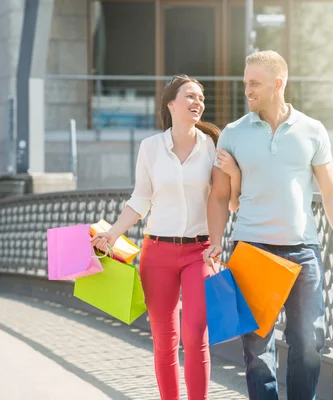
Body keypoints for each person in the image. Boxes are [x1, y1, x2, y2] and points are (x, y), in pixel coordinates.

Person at [203, 50, 333, 400]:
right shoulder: (233, 133)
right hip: (251, 250)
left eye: (254, 83)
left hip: (303, 252)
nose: (247, 90)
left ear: (278, 84)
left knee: (308, 343)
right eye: (246, 82)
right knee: (257, 350)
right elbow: (219, 196)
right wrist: (215, 241)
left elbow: (332, 192)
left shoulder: (312, 130)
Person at [91, 74, 241, 400]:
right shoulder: (150, 148)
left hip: (199, 252)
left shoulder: (213, 147)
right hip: (157, 252)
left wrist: (218, 238)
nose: (197, 102)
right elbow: (140, 199)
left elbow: (223, 199)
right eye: (189, 96)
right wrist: (112, 234)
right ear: (171, 103)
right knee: (164, 340)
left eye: (200, 97)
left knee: (195, 333)